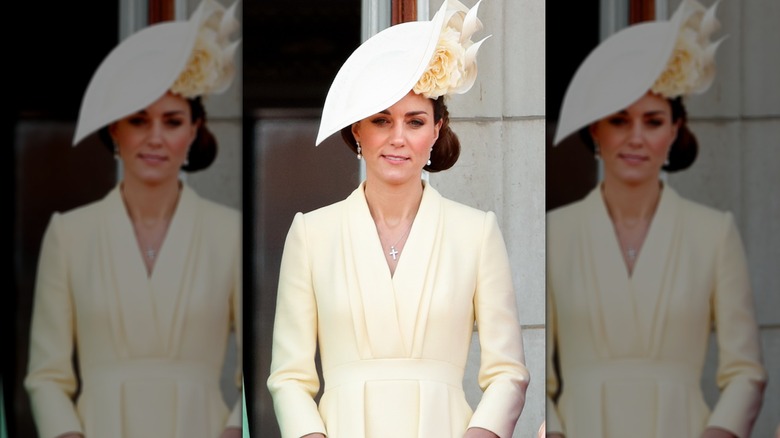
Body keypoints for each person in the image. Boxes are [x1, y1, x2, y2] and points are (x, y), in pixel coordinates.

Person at [266, 1, 529, 437]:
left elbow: (508, 372)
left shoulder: (476, 232)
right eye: (381, 120)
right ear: (357, 130)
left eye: (415, 121)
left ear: (437, 129)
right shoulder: (311, 234)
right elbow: (289, 377)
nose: (398, 139)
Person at [546, 1, 767, 437]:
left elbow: (745, 371)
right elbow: (536, 370)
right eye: (619, 119)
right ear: (596, 131)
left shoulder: (713, 233)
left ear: (674, 129)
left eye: (652, 121)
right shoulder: (556, 233)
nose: (635, 138)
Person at [23, 1, 243, 437]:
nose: (155, 138)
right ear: (114, 131)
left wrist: (235, 430)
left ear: (194, 129)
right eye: (138, 120)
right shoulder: (69, 235)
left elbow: (260, 368)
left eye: (172, 120)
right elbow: (46, 375)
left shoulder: (230, 232)